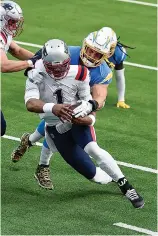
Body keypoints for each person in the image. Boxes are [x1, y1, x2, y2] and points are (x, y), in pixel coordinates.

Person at [25, 39, 144, 209]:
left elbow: (90, 101)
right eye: (53, 67)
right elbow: (30, 104)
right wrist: (55, 108)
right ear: (44, 63)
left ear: (69, 59)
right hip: (55, 127)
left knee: (93, 149)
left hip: (76, 120)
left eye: (62, 65)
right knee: (94, 175)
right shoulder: (35, 74)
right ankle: (110, 176)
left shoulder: (80, 72)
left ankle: (125, 185)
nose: (58, 71)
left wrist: (89, 113)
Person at [25, 38, 114, 187]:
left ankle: (29, 143)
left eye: (97, 54)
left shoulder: (103, 71)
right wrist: (30, 68)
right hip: (56, 92)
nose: (92, 55)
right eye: (91, 49)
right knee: (53, 122)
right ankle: (40, 161)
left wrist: (92, 105)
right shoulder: (70, 52)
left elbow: (99, 98)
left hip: (81, 97)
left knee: (60, 125)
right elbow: (38, 58)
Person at [0, 0, 42, 136]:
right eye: (11, 21)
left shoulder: (4, 32)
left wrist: (41, 60)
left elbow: (16, 50)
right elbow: (3, 65)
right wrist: (30, 63)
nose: (15, 25)